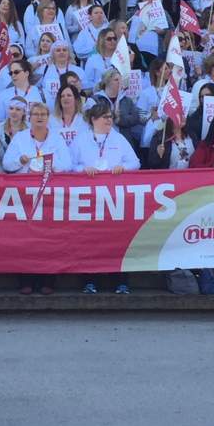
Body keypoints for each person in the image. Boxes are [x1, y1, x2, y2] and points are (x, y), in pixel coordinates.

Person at [71, 101, 139, 293]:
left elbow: (135, 162)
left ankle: (121, 282)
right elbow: (70, 165)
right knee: (91, 241)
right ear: (93, 119)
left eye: (110, 116)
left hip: (114, 199)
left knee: (117, 241)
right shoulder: (81, 139)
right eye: (105, 117)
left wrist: (123, 167)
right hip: (89, 199)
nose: (109, 120)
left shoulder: (118, 139)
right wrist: (83, 169)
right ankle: (90, 281)